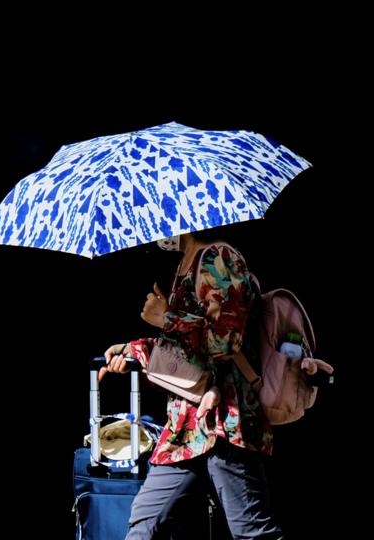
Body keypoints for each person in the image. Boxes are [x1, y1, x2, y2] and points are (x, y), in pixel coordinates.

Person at [100, 229, 283, 539]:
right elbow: (185, 352)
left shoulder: (219, 257)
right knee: (145, 521)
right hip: (187, 426)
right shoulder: (188, 262)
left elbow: (225, 342)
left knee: (252, 532)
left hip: (224, 420)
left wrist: (166, 318)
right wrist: (133, 351)